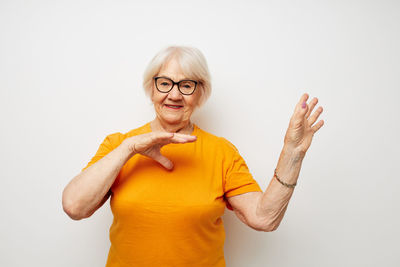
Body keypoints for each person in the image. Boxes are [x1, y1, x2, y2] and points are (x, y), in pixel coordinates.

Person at [62, 45, 325, 266]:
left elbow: (264, 218)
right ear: (151, 88)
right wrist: (129, 149)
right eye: (164, 83)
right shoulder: (118, 145)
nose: (174, 94)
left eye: (186, 85)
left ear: (200, 93)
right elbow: (74, 206)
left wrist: (293, 153)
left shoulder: (221, 151)